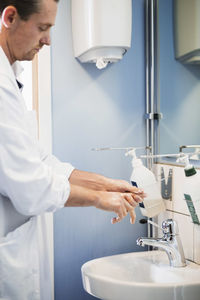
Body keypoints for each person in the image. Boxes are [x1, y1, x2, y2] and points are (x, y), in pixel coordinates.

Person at [0, 0, 146, 299]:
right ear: (10, 17)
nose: (48, 40)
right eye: (43, 28)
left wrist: (107, 183)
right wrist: (99, 199)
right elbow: (32, 187)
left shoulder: (10, 79)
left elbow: (40, 161)